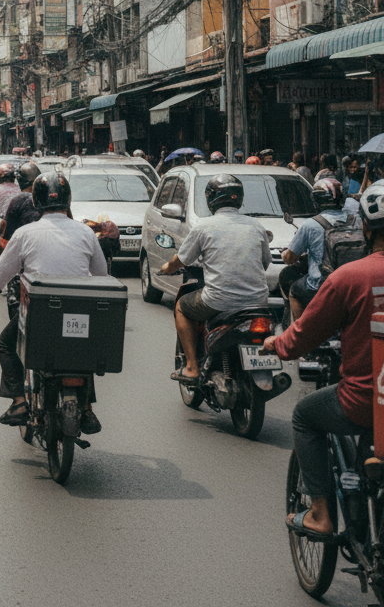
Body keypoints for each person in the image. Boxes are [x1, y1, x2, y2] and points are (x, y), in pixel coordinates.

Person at [261, 180, 384, 540]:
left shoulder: (350, 277)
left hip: (362, 401)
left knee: (303, 416)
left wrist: (276, 345)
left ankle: (319, 513)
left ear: (363, 228)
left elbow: (301, 338)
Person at [0, 172, 106, 434]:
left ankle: (19, 402)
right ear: (68, 200)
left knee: (5, 344)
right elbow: (101, 275)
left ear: (36, 200)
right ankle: (86, 407)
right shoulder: (86, 233)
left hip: (38, 314)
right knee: (83, 353)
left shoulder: (25, 233)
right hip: (79, 313)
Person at [159, 174, 271, 383]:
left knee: (182, 307)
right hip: (258, 302)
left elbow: (181, 260)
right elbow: (264, 263)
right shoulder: (256, 226)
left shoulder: (204, 226)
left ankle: (192, 367)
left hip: (218, 301)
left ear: (211, 199)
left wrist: (167, 268)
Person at [279, 177, 349, 321]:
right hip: (351, 284)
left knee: (294, 290)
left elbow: (290, 259)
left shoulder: (311, 224)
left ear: (317, 201)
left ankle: (301, 332)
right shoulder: (356, 221)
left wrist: (283, 254)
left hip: (319, 285)